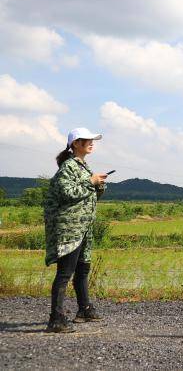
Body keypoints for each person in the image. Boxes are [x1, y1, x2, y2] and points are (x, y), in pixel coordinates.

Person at [44, 128, 109, 333]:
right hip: (69, 228)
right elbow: (67, 193)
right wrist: (91, 182)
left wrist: (98, 185)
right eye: (87, 140)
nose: (92, 143)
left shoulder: (83, 166)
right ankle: (56, 318)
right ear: (75, 144)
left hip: (83, 227)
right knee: (65, 272)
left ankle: (84, 309)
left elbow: (87, 197)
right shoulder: (68, 167)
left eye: (92, 140)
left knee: (82, 269)